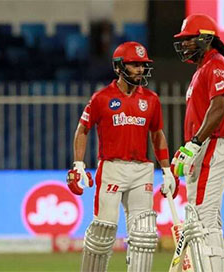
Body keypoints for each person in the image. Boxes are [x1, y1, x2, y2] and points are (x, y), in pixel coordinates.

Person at [66, 41, 179, 272]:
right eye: (134, 65)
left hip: (141, 171)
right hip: (112, 168)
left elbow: (157, 135)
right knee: (103, 232)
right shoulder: (101, 98)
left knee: (144, 234)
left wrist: (167, 170)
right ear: (119, 67)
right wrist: (78, 164)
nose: (140, 70)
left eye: (142, 65)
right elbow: (83, 129)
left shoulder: (151, 99)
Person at [171, 14, 224, 272]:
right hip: (205, 146)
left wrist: (196, 143)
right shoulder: (204, 68)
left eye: (189, 40)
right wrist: (188, 147)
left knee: (202, 219)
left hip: (212, 145)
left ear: (206, 39)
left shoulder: (216, 65)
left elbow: (218, 107)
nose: (184, 45)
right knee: (206, 218)